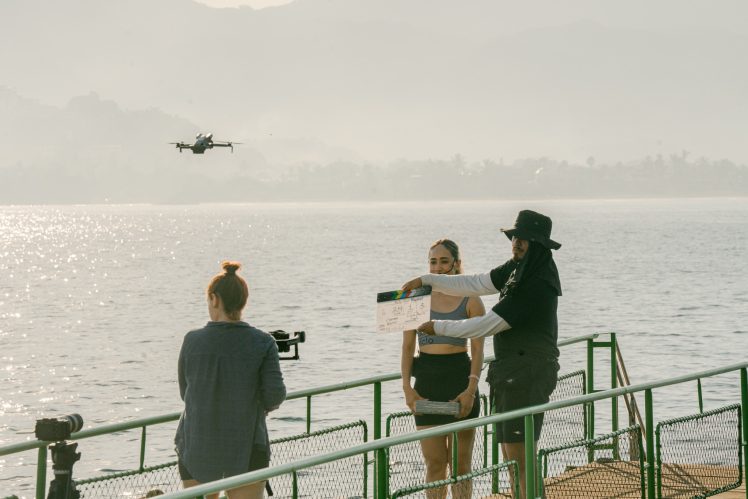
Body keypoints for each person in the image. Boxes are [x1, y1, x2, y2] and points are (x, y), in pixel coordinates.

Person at [402, 210, 562, 499]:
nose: (517, 242)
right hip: (509, 373)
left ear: (539, 244)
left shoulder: (536, 281)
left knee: (521, 458)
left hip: (528, 372)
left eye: (524, 238)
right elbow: (476, 282)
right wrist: (426, 280)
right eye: (514, 236)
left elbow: (487, 325)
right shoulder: (518, 267)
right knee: (512, 456)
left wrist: (437, 326)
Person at [175, 261, 286, 499]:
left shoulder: (191, 341)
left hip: (197, 445)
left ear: (214, 299)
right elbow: (275, 395)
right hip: (246, 447)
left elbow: (185, 393)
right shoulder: (263, 342)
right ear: (243, 301)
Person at [401, 239, 486, 499]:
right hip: (427, 383)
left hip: (460, 382)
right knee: (435, 464)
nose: (437, 267)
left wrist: (470, 390)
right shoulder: (417, 299)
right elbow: (407, 347)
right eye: (433, 262)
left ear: (456, 264)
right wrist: (407, 389)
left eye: (444, 261)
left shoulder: (471, 299)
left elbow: (478, 350)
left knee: (460, 466)